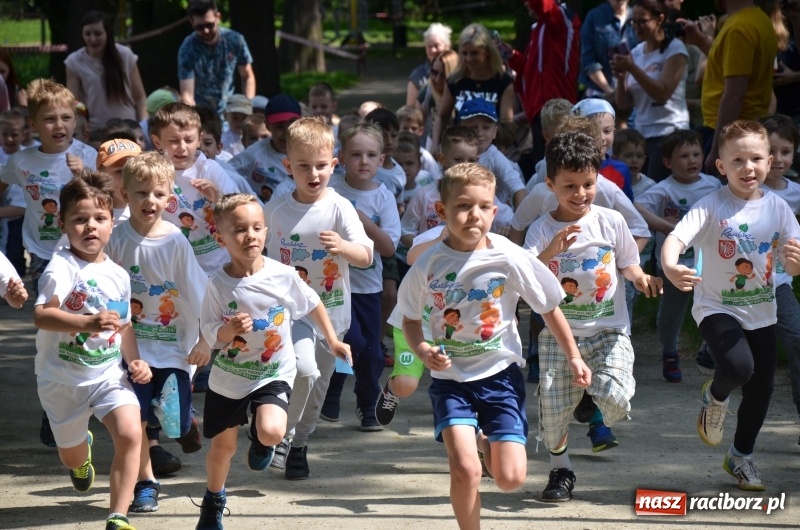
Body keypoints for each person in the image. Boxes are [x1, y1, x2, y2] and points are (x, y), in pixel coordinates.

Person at [397, 162, 586, 526]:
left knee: (510, 479)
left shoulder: (509, 256)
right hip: (451, 381)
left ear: (495, 212)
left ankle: (485, 440)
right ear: (441, 211)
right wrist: (422, 350)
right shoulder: (428, 264)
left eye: (484, 207)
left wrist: (574, 357)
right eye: (463, 206)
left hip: (501, 377)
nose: (474, 215)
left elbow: (549, 307)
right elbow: (408, 319)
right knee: (465, 471)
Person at [194, 193, 351, 529]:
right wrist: (227, 330)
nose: (250, 235)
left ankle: (261, 439)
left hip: (274, 370)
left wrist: (333, 339)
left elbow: (312, 304)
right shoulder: (217, 284)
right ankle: (213, 501)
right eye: (239, 230)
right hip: (230, 378)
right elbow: (209, 333)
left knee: (271, 431)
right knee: (223, 449)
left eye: (256, 227)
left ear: (266, 232)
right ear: (220, 238)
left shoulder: (283, 274)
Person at [662, 120, 800, 491]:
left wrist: (796, 263)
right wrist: (672, 266)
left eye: (756, 158)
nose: (748, 167)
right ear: (721, 166)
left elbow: (792, 263)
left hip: (762, 311)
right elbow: (676, 238)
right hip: (716, 307)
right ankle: (716, 395)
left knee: (762, 388)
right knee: (739, 368)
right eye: (737, 159)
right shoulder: (711, 206)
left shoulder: (780, 209)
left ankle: (740, 457)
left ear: (770, 162)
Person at [524, 130, 661, 502]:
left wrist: (642, 278)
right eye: (569, 186)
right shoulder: (541, 229)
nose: (580, 193)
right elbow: (527, 277)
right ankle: (561, 469)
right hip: (559, 332)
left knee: (616, 398)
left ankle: (589, 400)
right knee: (551, 416)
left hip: (608, 328)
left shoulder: (612, 221)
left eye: (588, 183)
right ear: (550, 184)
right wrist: (553, 248)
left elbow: (629, 265)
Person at [32, 171, 152, 530]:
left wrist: (134, 361)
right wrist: (85, 323)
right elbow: (42, 315)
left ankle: (118, 514)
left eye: (99, 218)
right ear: (63, 224)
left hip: (107, 376)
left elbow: (124, 324)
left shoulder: (118, 273)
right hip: (61, 380)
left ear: (112, 223)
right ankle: (80, 453)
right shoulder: (61, 268)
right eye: (80, 219)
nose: (90, 227)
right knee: (71, 459)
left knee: (131, 432)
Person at [262, 116, 373, 479]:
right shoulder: (276, 210)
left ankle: (298, 444)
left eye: (321, 166)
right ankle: (277, 435)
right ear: (287, 166)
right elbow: (256, 254)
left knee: (319, 387)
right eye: (303, 166)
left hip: (334, 316)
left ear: (333, 165)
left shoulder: (339, 207)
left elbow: (367, 255)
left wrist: (343, 247)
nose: (313, 174)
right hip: (292, 314)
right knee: (305, 372)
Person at [105, 152, 210, 514]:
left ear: (170, 198)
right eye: (140, 193)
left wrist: (205, 338)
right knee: (136, 421)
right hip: (131, 347)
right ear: (125, 193)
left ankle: (187, 426)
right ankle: (146, 483)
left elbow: (201, 293)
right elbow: (105, 290)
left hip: (173, 349)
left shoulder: (175, 241)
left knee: (174, 424)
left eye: (158, 194)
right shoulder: (115, 238)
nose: (149, 201)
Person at [327, 123, 401, 430]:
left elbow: (388, 246)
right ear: (342, 157)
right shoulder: (330, 189)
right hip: (334, 287)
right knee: (350, 340)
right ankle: (331, 388)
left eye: (371, 155)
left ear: (382, 160)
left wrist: (359, 218)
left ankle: (367, 404)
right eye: (355, 154)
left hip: (368, 288)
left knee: (371, 353)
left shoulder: (383, 197)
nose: (363, 161)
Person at [635, 129, 721, 382]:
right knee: (672, 313)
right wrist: (662, 224)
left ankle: (711, 349)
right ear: (667, 162)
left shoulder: (713, 185)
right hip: (675, 264)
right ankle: (670, 352)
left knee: (714, 307)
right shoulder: (664, 189)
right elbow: (634, 206)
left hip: (710, 263)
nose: (691, 160)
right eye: (683, 156)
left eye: (696, 154)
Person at [681, 0, 777, 174]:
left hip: (731, 135)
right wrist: (702, 41)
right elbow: (727, 63)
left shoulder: (739, 28)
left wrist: (718, 149)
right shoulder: (758, 19)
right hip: (741, 130)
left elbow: (735, 94)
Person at [149, 102, 239, 274]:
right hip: (176, 267)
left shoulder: (209, 169)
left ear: (199, 139)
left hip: (219, 265)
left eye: (189, 140)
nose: (182, 147)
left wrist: (217, 197)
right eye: (173, 140)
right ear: (157, 141)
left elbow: (240, 211)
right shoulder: (154, 173)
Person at [612, 0, 690, 182]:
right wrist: (622, 78)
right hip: (641, 137)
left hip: (669, 133)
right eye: (633, 21)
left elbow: (662, 92)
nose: (637, 27)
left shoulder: (675, 49)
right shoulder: (637, 52)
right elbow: (623, 105)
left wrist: (632, 69)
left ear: (660, 19)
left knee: (655, 193)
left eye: (643, 21)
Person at [758, 114, 800, 441]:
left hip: (780, 284)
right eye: (772, 151)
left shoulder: (797, 194)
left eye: (787, 151)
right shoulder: (739, 190)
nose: (780, 159)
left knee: (798, 337)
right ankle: (710, 354)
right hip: (736, 290)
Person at [506, 0, 581, 165]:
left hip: (556, 109)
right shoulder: (540, 27)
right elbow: (531, 70)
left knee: (557, 168)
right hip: (540, 110)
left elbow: (543, 6)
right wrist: (511, 56)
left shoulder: (560, 18)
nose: (526, 3)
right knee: (544, 170)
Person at [430, 23, 516, 150]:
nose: (469, 58)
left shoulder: (503, 81)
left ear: (487, 51)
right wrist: (435, 144)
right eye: (464, 53)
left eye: (474, 53)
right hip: (461, 151)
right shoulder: (455, 81)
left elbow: (507, 125)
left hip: (492, 150)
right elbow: (442, 117)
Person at [65, 11, 147, 132]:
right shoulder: (74, 62)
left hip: (128, 127)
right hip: (96, 131)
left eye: (98, 34)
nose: (92, 39)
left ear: (107, 33)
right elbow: (74, 103)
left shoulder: (125, 55)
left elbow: (140, 97)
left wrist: (143, 127)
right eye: (87, 34)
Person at [178, 0, 255, 114]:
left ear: (218, 17)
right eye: (199, 27)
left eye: (209, 25)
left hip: (230, 112)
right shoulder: (187, 48)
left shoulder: (235, 40)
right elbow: (187, 94)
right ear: (191, 22)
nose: (206, 30)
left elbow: (247, 76)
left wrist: (247, 106)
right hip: (202, 114)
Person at [457, 98, 527, 208]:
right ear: (460, 129)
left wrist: (518, 224)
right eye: (473, 127)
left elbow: (519, 189)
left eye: (486, 127)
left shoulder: (495, 158)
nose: (479, 133)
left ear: (494, 132)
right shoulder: (454, 155)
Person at [230, 94, 302, 199]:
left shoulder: (309, 151)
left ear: (301, 123)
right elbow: (226, 170)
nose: (287, 132)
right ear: (268, 126)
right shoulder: (256, 152)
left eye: (292, 125)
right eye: (280, 127)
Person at [571, 98, 634, 200]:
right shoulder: (568, 168)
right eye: (593, 132)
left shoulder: (621, 169)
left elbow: (627, 207)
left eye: (607, 131)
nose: (602, 138)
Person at [580, 0, 638, 100]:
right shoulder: (594, 16)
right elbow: (588, 59)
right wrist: (610, 91)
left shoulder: (639, 18)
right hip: (599, 95)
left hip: (633, 96)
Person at [417, 49, 460, 151]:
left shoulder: (460, 94)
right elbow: (417, 119)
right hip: (432, 145)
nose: (437, 79)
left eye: (443, 75)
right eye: (434, 72)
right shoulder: (428, 91)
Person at [406, 23, 453, 108]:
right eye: (429, 46)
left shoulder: (458, 71)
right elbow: (410, 111)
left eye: (436, 45)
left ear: (447, 46)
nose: (433, 50)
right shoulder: (418, 75)